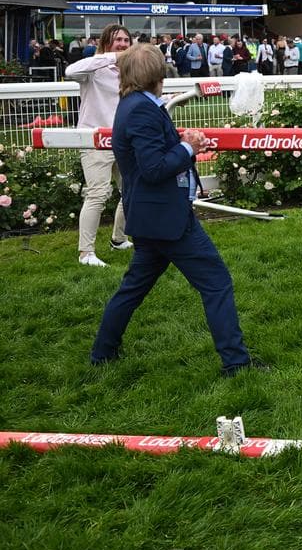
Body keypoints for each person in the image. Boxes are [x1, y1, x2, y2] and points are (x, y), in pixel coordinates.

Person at [89, 43, 266, 377]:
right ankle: (236, 364)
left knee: (133, 288)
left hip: (152, 217)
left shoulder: (135, 104)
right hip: (166, 219)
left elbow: (149, 156)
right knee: (216, 283)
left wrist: (181, 141)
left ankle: (103, 353)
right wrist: (189, 147)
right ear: (157, 74)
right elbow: (154, 168)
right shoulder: (142, 108)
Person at [66, 25, 133, 267]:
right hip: (94, 140)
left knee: (132, 190)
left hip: (122, 141)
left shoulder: (128, 72)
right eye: (118, 40)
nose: (124, 44)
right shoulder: (93, 68)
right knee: (98, 194)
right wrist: (110, 57)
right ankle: (86, 253)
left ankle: (118, 238)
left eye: (127, 40)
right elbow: (70, 70)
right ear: (107, 43)